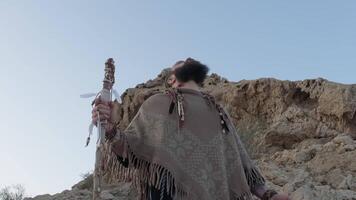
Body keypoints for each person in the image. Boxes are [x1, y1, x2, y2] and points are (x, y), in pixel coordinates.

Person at [92, 58, 290, 200]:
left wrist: (269, 195)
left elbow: (240, 163)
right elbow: (130, 151)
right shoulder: (157, 104)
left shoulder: (219, 112)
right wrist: (110, 128)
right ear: (171, 79)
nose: (186, 60)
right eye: (180, 63)